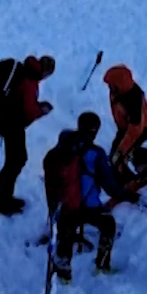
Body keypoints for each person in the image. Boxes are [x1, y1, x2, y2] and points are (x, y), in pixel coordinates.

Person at [41, 114, 120, 282]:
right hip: (89, 208)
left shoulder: (62, 147)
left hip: (66, 206)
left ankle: (64, 273)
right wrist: (126, 194)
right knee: (108, 225)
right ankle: (102, 264)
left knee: (66, 233)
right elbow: (109, 185)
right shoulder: (96, 153)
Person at [0, 55, 55, 215]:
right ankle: (2, 201)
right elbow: (28, 110)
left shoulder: (26, 73)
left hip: (8, 121)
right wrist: (41, 110)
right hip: (12, 124)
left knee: (15, 160)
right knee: (15, 161)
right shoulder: (30, 82)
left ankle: (5, 197)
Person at [102, 65, 147, 166]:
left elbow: (134, 132)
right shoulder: (118, 91)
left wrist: (121, 151)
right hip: (126, 128)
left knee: (121, 156)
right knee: (116, 150)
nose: (109, 87)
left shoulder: (134, 101)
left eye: (111, 85)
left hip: (141, 131)